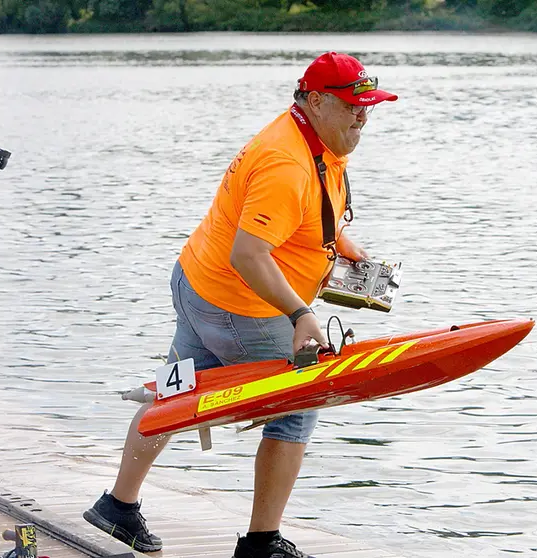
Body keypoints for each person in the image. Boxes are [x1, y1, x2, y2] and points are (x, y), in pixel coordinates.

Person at [83, 52, 397, 558]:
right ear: (316, 101)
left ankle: (116, 506)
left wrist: (339, 240)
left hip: (197, 282)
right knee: (299, 404)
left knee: (173, 390)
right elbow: (249, 254)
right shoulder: (286, 162)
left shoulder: (309, 135)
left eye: (370, 105)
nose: (364, 114)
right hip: (238, 304)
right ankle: (261, 545)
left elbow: (301, 210)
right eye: (355, 105)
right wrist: (302, 313)